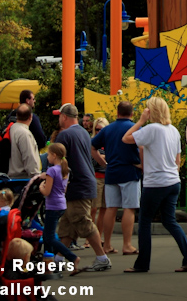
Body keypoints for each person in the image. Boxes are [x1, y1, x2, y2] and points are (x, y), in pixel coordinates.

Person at [123, 97, 187, 273]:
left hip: (155, 182)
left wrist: (140, 121)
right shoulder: (173, 131)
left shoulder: (151, 129)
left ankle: (142, 264)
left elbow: (126, 139)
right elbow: (178, 160)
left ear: (151, 111)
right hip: (173, 181)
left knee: (145, 221)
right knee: (169, 221)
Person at [53, 103, 111, 272]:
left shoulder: (64, 136)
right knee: (68, 224)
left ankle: (102, 258)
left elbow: (59, 162)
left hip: (76, 184)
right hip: (87, 181)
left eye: (59, 116)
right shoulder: (84, 133)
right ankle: (58, 259)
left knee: (82, 221)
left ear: (64, 117)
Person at [91, 102, 142, 257]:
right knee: (129, 208)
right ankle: (127, 244)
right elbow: (143, 147)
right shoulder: (135, 128)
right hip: (129, 170)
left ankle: (106, 244)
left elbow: (92, 147)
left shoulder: (107, 129)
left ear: (117, 112)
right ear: (132, 114)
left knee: (111, 208)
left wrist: (102, 162)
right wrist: (143, 165)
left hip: (111, 171)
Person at [39, 142, 79, 275]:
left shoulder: (51, 170)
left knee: (49, 237)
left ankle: (72, 257)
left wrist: (41, 186)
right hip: (61, 203)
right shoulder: (64, 168)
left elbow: (47, 191)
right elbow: (64, 188)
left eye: (49, 154)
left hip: (52, 205)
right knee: (48, 235)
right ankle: (49, 263)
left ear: (54, 155)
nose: (47, 157)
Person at [8, 105, 42, 179]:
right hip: (22, 179)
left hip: (10, 178)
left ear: (17, 115)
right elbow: (29, 157)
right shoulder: (25, 134)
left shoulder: (10, 129)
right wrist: (36, 176)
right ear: (30, 116)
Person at [89, 117, 108, 243]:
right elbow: (92, 161)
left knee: (104, 210)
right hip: (95, 177)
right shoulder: (92, 142)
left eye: (102, 130)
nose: (99, 132)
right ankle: (89, 238)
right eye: (97, 130)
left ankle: (98, 236)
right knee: (93, 209)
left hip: (107, 177)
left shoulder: (109, 142)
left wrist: (101, 156)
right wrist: (103, 157)